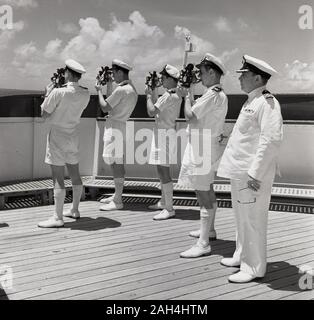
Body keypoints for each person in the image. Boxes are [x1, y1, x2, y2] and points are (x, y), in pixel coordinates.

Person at [217, 55, 283, 283]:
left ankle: (254, 267)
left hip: (252, 175)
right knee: (241, 217)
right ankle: (241, 255)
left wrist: (255, 173)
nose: (240, 79)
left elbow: (271, 140)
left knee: (253, 220)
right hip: (240, 172)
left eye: (244, 75)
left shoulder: (267, 103)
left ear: (257, 78)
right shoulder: (251, 101)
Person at [178, 53, 228, 258]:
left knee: (202, 192)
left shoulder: (212, 94)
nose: (200, 75)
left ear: (212, 72)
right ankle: (210, 230)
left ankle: (204, 243)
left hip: (201, 148)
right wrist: (190, 94)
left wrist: (184, 97)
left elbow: (190, 116)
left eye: (202, 71)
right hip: (206, 146)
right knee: (206, 189)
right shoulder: (216, 94)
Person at [38, 59, 90, 228]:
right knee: (75, 173)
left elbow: (44, 114)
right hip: (73, 135)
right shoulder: (85, 93)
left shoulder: (58, 92)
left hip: (58, 136)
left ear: (67, 73)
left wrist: (48, 93)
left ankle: (57, 217)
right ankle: (75, 210)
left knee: (58, 177)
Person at [95, 59, 138, 211]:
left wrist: (98, 90)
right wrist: (108, 86)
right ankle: (116, 195)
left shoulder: (122, 90)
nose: (113, 76)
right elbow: (111, 102)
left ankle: (118, 200)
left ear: (120, 72)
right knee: (116, 162)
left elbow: (105, 107)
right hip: (120, 127)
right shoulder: (130, 89)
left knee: (116, 164)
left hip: (114, 128)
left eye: (114, 73)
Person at [146, 64, 182, 220]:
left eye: (163, 78)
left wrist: (148, 95)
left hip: (164, 135)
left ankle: (169, 208)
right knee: (161, 170)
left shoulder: (169, 95)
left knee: (164, 171)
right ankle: (163, 202)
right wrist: (153, 92)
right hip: (165, 133)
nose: (161, 80)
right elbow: (157, 107)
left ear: (169, 79)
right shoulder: (173, 94)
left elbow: (151, 111)